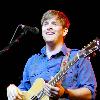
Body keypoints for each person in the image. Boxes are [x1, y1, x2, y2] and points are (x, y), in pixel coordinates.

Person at [7, 10, 97, 100]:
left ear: (64, 31)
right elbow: (22, 93)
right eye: (45, 24)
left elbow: (90, 93)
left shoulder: (78, 56)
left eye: (54, 24)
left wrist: (65, 93)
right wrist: (13, 90)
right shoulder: (32, 61)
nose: (49, 27)